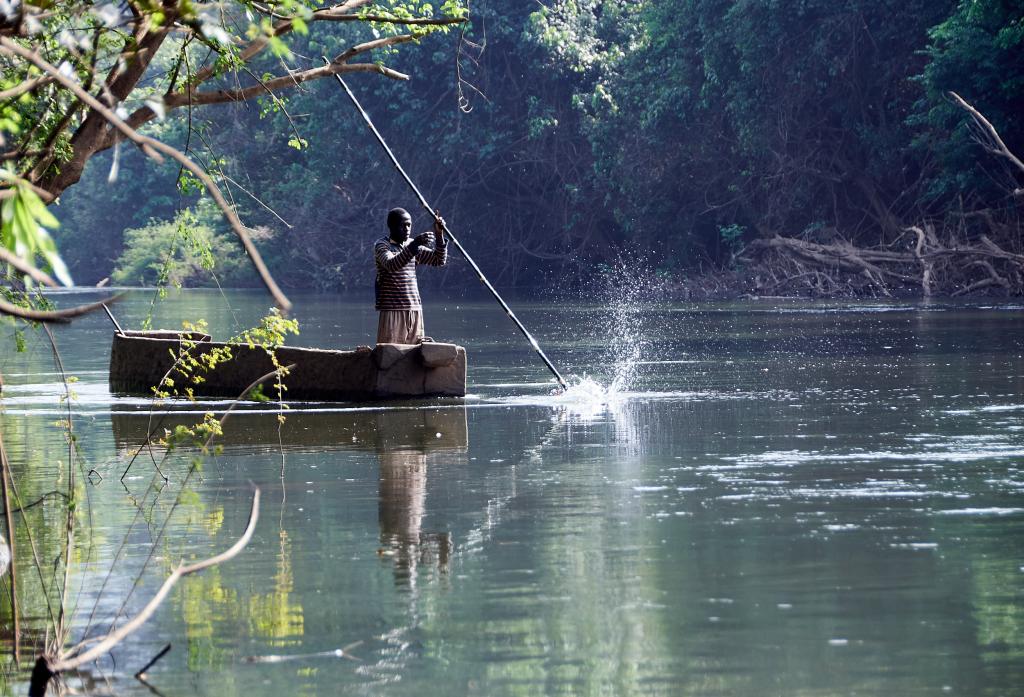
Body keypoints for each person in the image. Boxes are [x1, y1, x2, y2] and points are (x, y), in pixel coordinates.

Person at [374, 207, 447, 344]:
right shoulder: (382, 246)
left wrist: (439, 235)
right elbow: (392, 264)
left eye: (409, 225)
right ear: (392, 226)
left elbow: (439, 260)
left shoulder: (412, 246)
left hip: (414, 308)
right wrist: (414, 245)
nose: (407, 229)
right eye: (403, 225)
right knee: (390, 355)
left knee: (414, 353)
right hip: (392, 309)